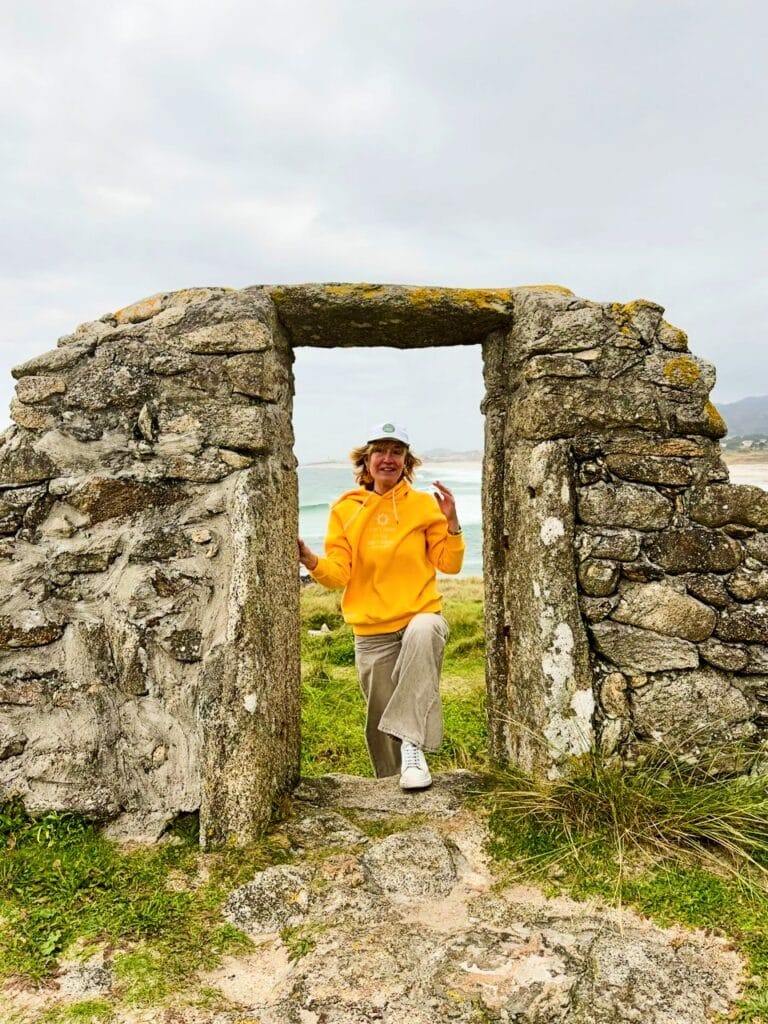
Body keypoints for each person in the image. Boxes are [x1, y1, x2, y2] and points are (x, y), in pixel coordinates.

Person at [298, 422, 465, 790]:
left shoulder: (423, 506)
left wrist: (452, 523)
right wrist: (310, 560)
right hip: (371, 631)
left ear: (406, 461)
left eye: (397, 451)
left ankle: (412, 748)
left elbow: (449, 564)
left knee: (426, 628)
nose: (388, 458)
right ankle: (392, 790)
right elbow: (339, 573)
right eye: (380, 451)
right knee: (380, 723)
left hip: (418, 619)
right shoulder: (346, 509)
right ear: (367, 459)